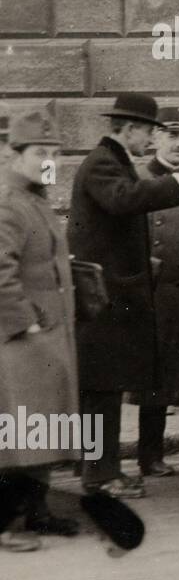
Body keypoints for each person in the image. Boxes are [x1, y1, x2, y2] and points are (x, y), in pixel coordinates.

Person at [68, 95, 179, 498]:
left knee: (104, 390)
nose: (152, 139)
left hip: (110, 292)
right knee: (100, 390)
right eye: (150, 131)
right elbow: (122, 200)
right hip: (103, 295)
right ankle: (99, 476)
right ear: (131, 129)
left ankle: (103, 472)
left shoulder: (110, 160)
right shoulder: (104, 161)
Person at [0, 112, 82, 550]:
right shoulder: (9, 203)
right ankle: (8, 524)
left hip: (47, 335)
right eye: (39, 153)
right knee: (18, 432)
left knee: (42, 427)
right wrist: (25, 321)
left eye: (54, 153)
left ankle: (37, 512)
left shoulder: (35, 198)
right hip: (20, 340)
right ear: (14, 155)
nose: (48, 161)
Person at [129, 107, 179, 477]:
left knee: (164, 377)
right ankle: (110, 460)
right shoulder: (138, 179)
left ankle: (152, 456)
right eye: (174, 136)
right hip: (143, 292)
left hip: (177, 293)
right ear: (157, 139)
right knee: (140, 376)